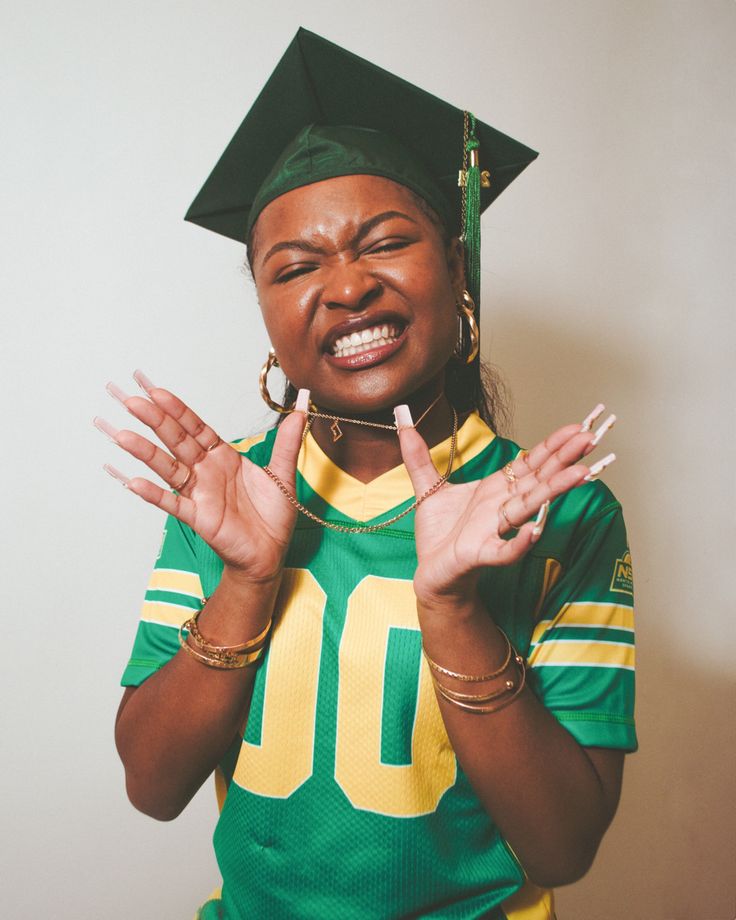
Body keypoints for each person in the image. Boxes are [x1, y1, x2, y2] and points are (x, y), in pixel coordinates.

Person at [101, 28, 636, 920]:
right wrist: (244, 578)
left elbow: (562, 846)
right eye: (296, 267)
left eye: (384, 242)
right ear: (269, 317)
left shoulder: (560, 513)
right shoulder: (222, 496)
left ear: (456, 267)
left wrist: (456, 608)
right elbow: (153, 786)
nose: (346, 289)